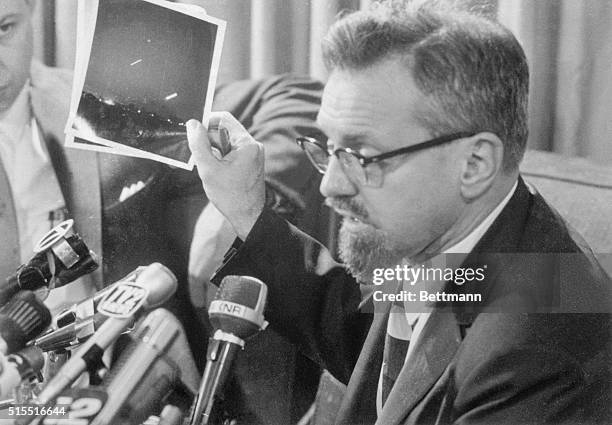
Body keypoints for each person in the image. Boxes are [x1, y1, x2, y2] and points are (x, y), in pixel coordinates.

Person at [187, 1, 612, 424]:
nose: (330, 185)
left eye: (362, 155)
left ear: (476, 164)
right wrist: (248, 209)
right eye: (330, 149)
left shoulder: (537, 355)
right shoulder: (470, 234)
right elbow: (373, 341)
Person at [0, 1, 324, 421]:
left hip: (143, 390)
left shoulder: (99, 102)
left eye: (5, 28)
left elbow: (294, 96)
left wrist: (236, 205)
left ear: (31, 15)